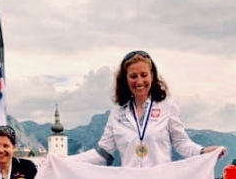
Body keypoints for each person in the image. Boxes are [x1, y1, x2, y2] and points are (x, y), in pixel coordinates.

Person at [69, 50, 221, 167]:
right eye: (133, 76)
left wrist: (202, 152)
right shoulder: (116, 116)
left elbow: (181, 143)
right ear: (125, 80)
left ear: (152, 76)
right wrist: (66, 161)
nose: (139, 81)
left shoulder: (167, 107)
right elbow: (102, 154)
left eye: (144, 75)